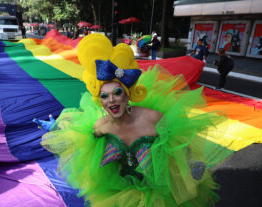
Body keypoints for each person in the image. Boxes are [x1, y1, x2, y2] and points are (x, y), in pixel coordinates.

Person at [35, 34, 232, 207]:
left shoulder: (152, 118)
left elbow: (179, 143)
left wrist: (189, 164)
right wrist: (58, 128)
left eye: (117, 92)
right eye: (105, 96)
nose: (111, 99)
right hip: (117, 195)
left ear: (127, 95)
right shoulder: (101, 126)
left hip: (159, 196)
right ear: (99, 100)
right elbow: (78, 142)